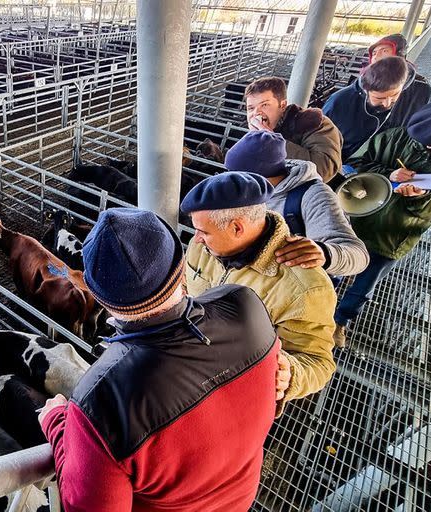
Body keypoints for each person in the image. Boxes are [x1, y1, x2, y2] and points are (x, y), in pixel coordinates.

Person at [39, 208, 280, 511]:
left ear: (99, 299)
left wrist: (57, 424)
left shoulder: (99, 402)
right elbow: (273, 385)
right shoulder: (245, 306)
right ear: (181, 268)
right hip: (241, 499)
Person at [181, 172, 337, 411]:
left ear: (237, 228)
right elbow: (185, 282)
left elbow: (319, 363)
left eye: (204, 232)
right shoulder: (202, 245)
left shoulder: (305, 288)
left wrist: (291, 374)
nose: (197, 239)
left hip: (232, 390)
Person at [333, 99, 431, 347]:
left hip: (396, 234)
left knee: (365, 285)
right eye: (424, 140)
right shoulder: (395, 137)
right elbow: (356, 164)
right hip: (358, 219)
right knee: (335, 266)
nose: (428, 145)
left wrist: (422, 198)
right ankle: (318, 302)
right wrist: (387, 175)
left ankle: (340, 320)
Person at [224, 131, 369, 277]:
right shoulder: (247, 193)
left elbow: (358, 255)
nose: (230, 182)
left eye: (237, 176)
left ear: (259, 176)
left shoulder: (313, 195)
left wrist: (325, 254)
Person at [324, 56, 431, 159]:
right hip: (345, 163)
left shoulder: (421, 92)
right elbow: (320, 138)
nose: (387, 103)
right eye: (379, 98)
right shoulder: (338, 102)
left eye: (395, 95)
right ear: (365, 90)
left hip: (390, 163)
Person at [244, 76, 343, 182]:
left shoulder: (314, 123)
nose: (256, 113)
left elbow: (323, 170)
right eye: (251, 108)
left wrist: (272, 142)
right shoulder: (253, 134)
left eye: (264, 105)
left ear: (282, 105)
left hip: (310, 194)